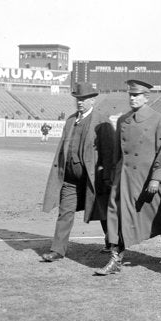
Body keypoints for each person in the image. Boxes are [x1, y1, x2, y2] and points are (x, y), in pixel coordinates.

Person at [97, 79, 161, 276]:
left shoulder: (158, 119)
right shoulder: (123, 120)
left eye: (136, 95)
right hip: (124, 178)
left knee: (159, 214)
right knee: (117, 214)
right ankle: (116, 257)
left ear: (146, 98)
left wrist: (156, 178)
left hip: (147, 177)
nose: (132, 98)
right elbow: (117, 152)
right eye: (130, 95)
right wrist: (111, 176)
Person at [40, 81, 113, 262]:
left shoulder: (102, 120)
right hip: (70, 179)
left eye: (84, 99)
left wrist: (106, 176)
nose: (80, 102)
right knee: (65, 212)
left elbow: (110, 152)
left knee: (102, 211)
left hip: (93, 179)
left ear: (92, 100)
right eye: (78, 99)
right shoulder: (71, 120)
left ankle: (112, 242)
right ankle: (57, 250)